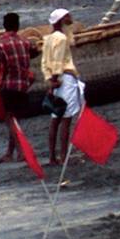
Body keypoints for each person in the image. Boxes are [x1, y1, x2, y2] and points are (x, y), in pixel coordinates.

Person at [0, 12, 34, 164]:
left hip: (9, 85)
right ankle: (9, 153)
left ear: (4, 26)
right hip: (23, 85)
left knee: (10, 119)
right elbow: (33, 52)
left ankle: (21, 152)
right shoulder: (25, 42)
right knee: (15, 120)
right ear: (18, 25)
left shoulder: (0, 44)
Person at [40, 9, 80, 165]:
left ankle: (52, 157)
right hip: (65, 79)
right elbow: (57, 61)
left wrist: (49, 80)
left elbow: (45, 63)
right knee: (66, 118)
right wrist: (55, 78)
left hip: (55, 80)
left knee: (55, 118)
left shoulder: (48, 38)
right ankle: (63, 157)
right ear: (61, 19)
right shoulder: (62, 38)